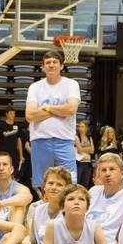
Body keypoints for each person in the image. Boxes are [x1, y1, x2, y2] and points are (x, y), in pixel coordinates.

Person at [31, 182, 109, 244]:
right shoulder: (52, 225)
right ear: (62, 207)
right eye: (71, 199)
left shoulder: (95, 226)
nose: (76, 202)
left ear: (87, 207)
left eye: (81, 199)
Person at [25, 50, 80, 188]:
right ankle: (44, 209)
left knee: (70, 184)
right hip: (40, 140)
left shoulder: (71, 84)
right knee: (42, 184)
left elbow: (71, 109)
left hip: (65, 141)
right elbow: (30, 115)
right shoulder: (35, 87)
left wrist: (47, 108)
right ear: (43, 66)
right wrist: (60, 110)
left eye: (54, 62)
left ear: (61, 66)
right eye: (48, 62)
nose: (51, 65)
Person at [23, 166, 73, 244]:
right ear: (44, 187)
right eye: (50, 183)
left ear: (67, 190)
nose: (54, 187)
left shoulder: (70, 213)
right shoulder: (38, 210)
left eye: (59, 185)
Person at [86, 152, 123, 244]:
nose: (107, 173)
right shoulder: (93, 192)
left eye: (112, 169)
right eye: (103, 170)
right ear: (98, 175)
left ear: (122, 173)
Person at [0, 150, 33, 225]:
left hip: (10, 231)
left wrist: (0, 203)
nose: (1, 168)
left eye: (5, 164)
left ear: (11, 169)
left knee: (18, 207)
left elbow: (27, 197)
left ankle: (14, 235)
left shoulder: (20, 188)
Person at [0, 108, 23, 175]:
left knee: (13, 172)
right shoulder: (1, 125)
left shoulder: (17, 126)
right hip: (2, 152)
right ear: (6, 114)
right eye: (11, 113)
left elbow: (19, 141)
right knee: (2, 171)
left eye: (14, 113)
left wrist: (21, 155)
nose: (13, 115)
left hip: (13, 153)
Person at [74, 121, 95, 187]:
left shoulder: (89, 138)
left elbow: (92, 150)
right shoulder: (76, 137)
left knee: (86, 183)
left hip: (88, 163)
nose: (80, 128)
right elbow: (79, 150)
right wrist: (88, 149)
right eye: (79, 126)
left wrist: (83, 149)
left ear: (86, 128)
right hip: (79, 163)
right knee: (77, 182)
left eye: (82, 126)